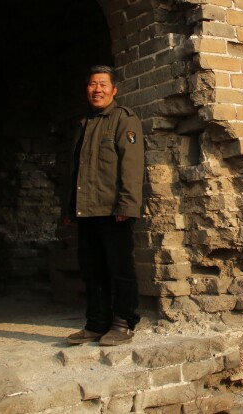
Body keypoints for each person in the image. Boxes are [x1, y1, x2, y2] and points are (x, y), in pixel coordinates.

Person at [66, 65, 144, 346]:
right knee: (91, 269)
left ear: (114, 90)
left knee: (119, 268)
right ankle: (96, 323)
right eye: (92, 84)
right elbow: (77, 169)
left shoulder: (124, 120)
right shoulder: (84, 123)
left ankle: (123, 322)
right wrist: (69, 209)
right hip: (87, 210)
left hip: (114, 211)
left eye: (102, 84)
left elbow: (132, 166)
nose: (96, 89)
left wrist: (126, 205)